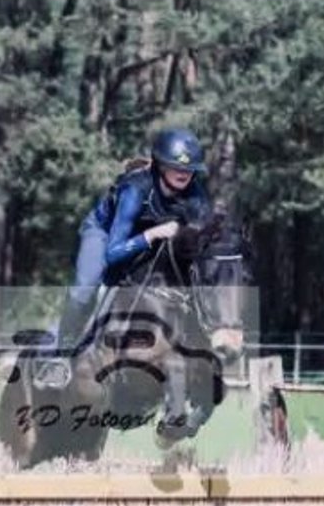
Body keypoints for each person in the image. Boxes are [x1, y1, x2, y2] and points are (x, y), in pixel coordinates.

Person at [34, 127, 212, 389]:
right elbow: (113, 253)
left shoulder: (196, 194)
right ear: (161, 165)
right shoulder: (134, 190)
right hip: (106, 235)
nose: (183, 173)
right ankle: (59, 357)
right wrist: (151, 235)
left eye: (189, 169)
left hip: (152, 239)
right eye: (176, 167)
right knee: (87, 287)